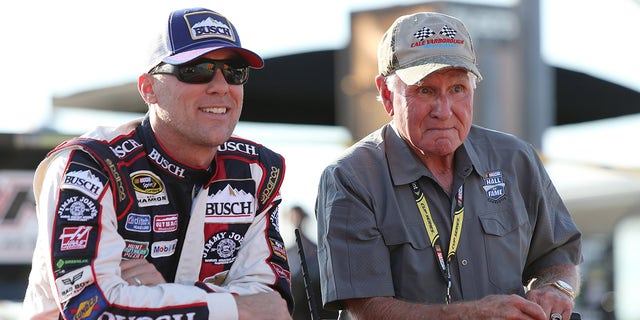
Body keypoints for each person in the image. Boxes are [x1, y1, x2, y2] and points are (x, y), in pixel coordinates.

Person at [23, 7, 292, 320]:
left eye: (234, 72)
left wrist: (152, 297)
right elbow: (92, 309)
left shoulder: (255, 170)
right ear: (148, 89)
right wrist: (230, 306)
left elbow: (272, 307)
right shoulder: (90, 167)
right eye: (196, 70)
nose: (221, 86)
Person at [315, 12, 582, 320]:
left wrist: (555, 288)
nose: (444, 111)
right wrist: (474, 314)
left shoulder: (515, 158)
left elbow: (558, 253)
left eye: (457, 89)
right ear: (387, 95)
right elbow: (369, 309)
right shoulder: (351, 177)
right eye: (425, 90)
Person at [285, 206, 338, 320]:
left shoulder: (317, 249)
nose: (297, 220)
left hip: (317, 302)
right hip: (297, 306)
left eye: (299, 217)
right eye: (294, 217)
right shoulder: (286, 252)